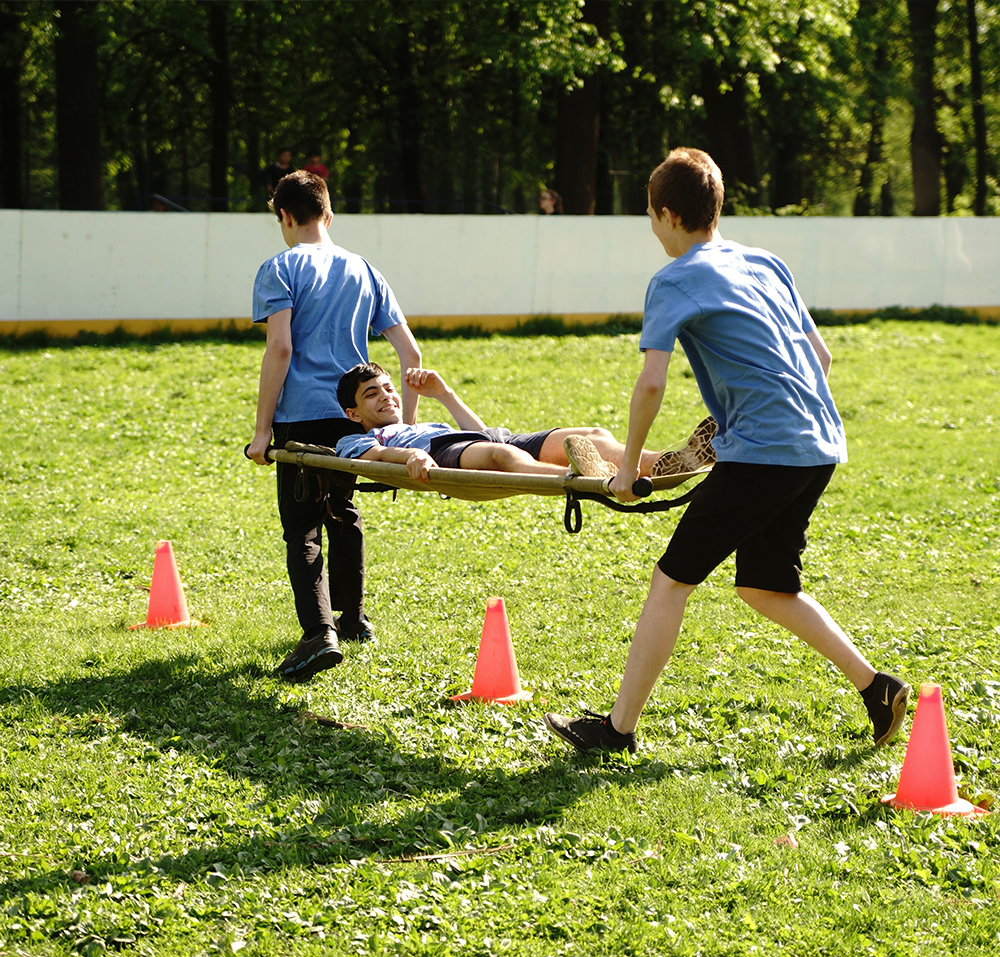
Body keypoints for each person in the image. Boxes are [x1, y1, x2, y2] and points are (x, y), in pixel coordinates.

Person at [544, 147, 910, 755]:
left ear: (667, 215)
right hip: (819, 444)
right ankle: (878, 688)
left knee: (670, 582)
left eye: (650, 217)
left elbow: (652, 384)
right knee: (766, 585)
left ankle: (616, 731)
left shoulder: (672, 279)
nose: (652, 228)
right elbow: (820, 358)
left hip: (765, 453)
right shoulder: (766, 262)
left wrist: (628, 470)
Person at [247, 170, 421, 683]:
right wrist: (401, 430)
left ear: (284, 216)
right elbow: (410, 355)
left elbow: (280, 348)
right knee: (342, 511)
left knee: (302, 525)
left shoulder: (278, 268)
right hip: (352, 416)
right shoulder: (364, 269)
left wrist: (262, 430)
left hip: (300, 418)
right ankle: (353, 618)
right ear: (329, 213)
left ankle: (318, 634)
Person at [335, 362, 674, 481]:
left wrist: (445, 394)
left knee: (594, 433)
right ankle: (586, 478)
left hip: (488, 437)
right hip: (442, 452)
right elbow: (376, 457)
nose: (386, 396)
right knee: (504, 457)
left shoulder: (415, 426)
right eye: (371, 394)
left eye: (389, 388)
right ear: (353, 414)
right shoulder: (358, 439)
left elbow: (480, 432)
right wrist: (411, 454)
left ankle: (666, 462)